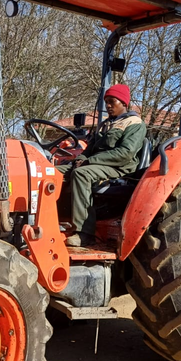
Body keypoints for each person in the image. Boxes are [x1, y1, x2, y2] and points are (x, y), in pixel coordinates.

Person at [58, 84, 146, 247]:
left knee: (81, 174)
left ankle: (85, 233)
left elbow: (125, 153)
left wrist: (89, 161)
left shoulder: (134, 123)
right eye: (106, 102)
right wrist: (81, 159)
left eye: (112, 101)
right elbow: (90, 148)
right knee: (50, 171)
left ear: (124, 103)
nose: (108, 106)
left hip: (119, 167)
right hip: (96, 163)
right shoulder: (105, 125)